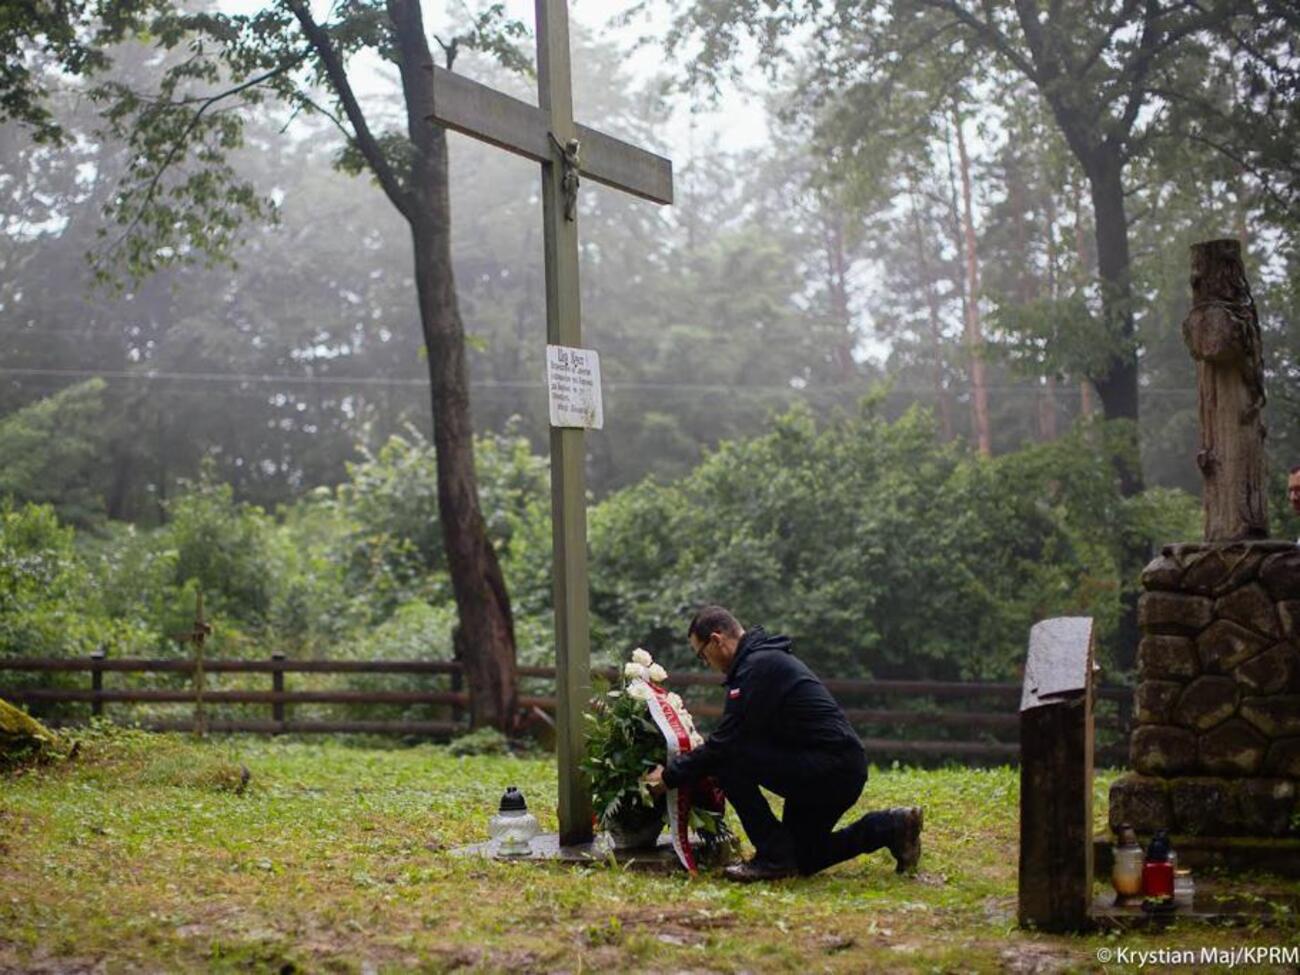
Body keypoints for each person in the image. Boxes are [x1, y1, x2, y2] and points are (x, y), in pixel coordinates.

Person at [645, 606, 923, 883]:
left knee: (727, 761)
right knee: (803, 858)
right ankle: (890, 826)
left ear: (717, 640)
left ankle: (772, 857)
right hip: (833, 767)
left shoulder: (757, 667)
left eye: (702, 654)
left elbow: (727, 744)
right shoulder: (759, 662)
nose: (705, 662)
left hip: (829, 770)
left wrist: (669, 776)